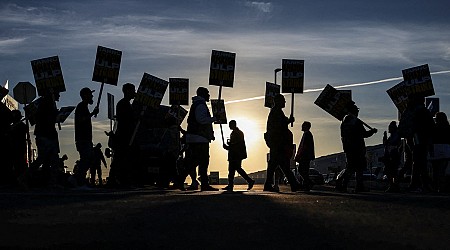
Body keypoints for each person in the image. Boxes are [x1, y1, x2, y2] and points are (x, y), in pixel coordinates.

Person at [177, 87, 218, 191]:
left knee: (196, 161)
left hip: (196, 138)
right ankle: (203, 184)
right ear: (203, 94)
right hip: (199, 138)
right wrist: (214, 118)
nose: (209, 95)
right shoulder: (200, 105)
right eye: (207, 93)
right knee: (201, 161)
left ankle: (183, 180)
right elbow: (201, 119)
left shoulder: (197, 104)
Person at [337, 102, 377, 193]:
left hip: (348, 148)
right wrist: (372, 132)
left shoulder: (344, 122)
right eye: (356, 110)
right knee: (358, 168)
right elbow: (364, 134)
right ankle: (350, 185)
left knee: (351, 167)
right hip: (357, 148)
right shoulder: (356, 122)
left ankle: (347, 185)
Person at [263, 94, 300, 192]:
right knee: (281, 164)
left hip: (276, 143)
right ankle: (293, 184)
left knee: (278, 165)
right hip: (278, 143)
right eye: (283, 100)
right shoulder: (276, 112)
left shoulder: (276, 112)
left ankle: (293, 184)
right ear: (278, 101)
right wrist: (289, 121)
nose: (285, 102)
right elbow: (280, 126)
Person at [399, 95, 435, 192]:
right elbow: (431, 126)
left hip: (410, 138)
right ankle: (421, 184)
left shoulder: (408, 111)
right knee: (420, 160)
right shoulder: (423, 111)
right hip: (421, 137)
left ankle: (419, 183)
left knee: (417, 161)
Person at [30, 90, 61, 187]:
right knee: (46, 159)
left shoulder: (46, 103)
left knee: (47, 160)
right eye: (58, 94)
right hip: (46, 135)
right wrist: (55, 114)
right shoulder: (46, 103)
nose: (59, 96)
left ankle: (48, 182)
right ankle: (24, 177)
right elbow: (45, 119)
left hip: (46, 135)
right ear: (53, 94)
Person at [108, 83, 136, 187]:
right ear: (127, 91)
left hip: (125, 134)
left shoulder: (125, 103)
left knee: (121, 158)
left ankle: (118, 178)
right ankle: (114, 179)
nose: (134, 92)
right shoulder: (123, 104)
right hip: (123, 135)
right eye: (133, 90)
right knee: (120, 157)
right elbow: (126, 120)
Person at [72, 87, 99, 187]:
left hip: (85, 139)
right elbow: (81, 120)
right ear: (85, 96)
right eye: (90, 94)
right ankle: (78, 180)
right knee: (86, 159)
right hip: (82, 139)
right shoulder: (81, 106)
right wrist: (92, 114)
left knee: (88, 159)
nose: (92, 96)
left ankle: (77, 179)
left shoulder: (84, 107)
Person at [222, 120, 255, 191]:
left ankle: (248, 181)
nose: (229, 126)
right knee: (233, 170)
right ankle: (231, 185)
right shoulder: (235, 133)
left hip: (236, 155)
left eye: (230, 125)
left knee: (235, 169)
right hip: (235, 154)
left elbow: (236, 145)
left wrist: (228, 147)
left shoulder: (237, 133)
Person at [430, 112, 450, 192]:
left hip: (436, 148)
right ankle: (442, 187)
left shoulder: (434, 128)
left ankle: (435, 186)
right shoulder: (448, 127)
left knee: (435, 170)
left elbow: (431, 139)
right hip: (446, 148)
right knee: (442, 170)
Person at [9, 110, 28, 186]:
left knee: (19, 164)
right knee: (17, 164)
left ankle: (20, 179)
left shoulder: (20, 126)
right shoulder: (17, 126)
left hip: (18, 147)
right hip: (17, 147)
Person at [294, 121, 315, 191]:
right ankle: (307, 184)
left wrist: (299, 155)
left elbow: (304, 146)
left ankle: (308, 183)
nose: (301, 127)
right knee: (304, 170)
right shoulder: (308, 134)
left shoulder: (307, 134)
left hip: (305, 156)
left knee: (302, 170)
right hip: (306, 156)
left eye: (303, 125)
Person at [382, 121, 401, 192]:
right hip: (390, 155)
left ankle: (394, 185)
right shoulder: (392, 136)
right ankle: (393, 185)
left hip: (393, 155)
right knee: (390, 171)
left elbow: (392, 144)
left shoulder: (396, 135)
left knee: (392, 171)